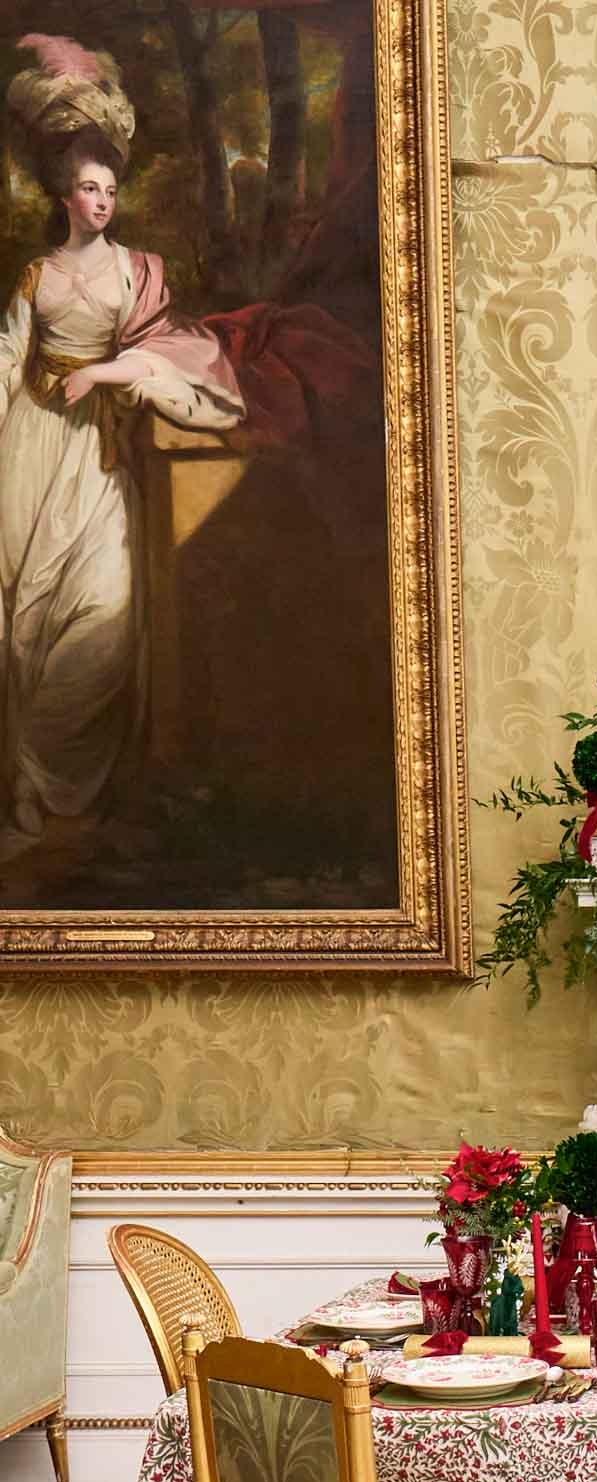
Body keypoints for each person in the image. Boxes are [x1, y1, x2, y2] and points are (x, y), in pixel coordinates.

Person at [0, 38, 244, 864]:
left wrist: (103, 370)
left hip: (99, 454)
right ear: (67, 200)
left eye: (110, 190)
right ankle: (32, 802)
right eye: (89, 191)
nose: (102, 202)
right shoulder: (36, 278)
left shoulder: (141, 272)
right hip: (29, 452)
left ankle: (67, 783)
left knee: (104, 611)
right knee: (22, 624)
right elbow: (8, 362)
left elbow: (164, 347)